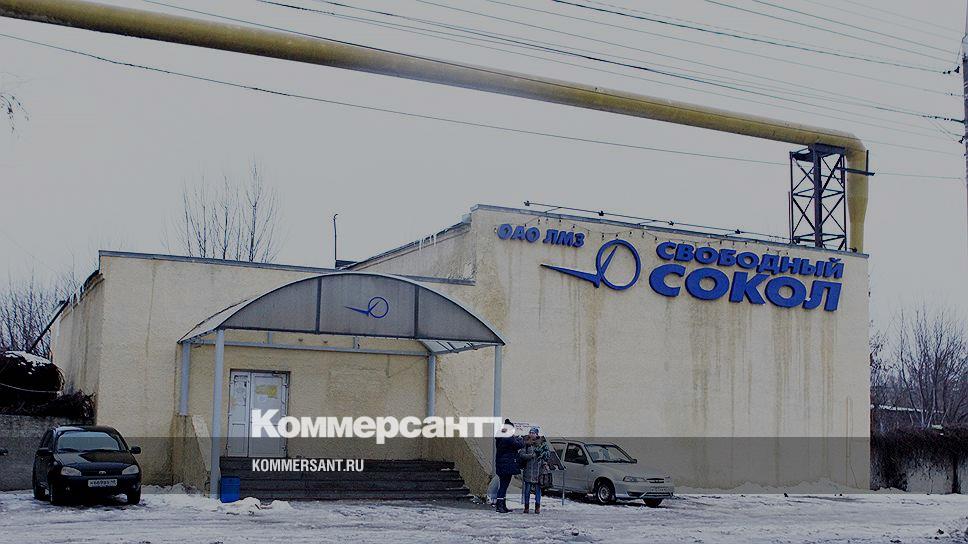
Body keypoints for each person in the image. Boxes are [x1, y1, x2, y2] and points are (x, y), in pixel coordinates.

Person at [494, 418, 524, 514]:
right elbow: (518, 445)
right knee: (503, 486)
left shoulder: (500, 437)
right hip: (506, 465)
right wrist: (521, 438)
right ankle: (500, 506)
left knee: (503, 485)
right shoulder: (507, 437)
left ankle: (502, 505)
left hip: (501, 464)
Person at [518, 427, 551, 514]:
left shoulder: (542, 444)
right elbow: (521, 454)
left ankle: (537, 507)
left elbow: (547, 456)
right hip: (528, 470)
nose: (532, 434)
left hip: (538, 471)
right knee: (527, 489)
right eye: (530, 432)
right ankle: (526, 507)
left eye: (533, 433)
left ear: (537, 434)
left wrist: (544, 460)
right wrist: (530, 456)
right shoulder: (526, 443)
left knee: (538, 490)